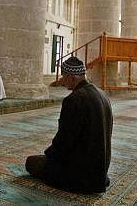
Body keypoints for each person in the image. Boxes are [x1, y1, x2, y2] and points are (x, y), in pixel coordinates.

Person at [25, 56, 113, 194]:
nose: (63, 82)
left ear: (72, 78)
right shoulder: (102, 94)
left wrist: (48, 155)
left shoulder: (73, 100)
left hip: (80, 175)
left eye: (64, 77)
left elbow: (64, 141)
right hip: (100, 171)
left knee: (31, 162)